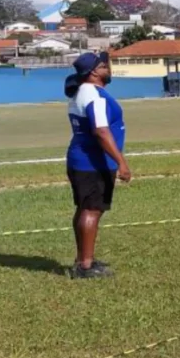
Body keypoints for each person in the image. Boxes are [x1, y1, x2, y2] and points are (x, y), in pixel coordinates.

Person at [65, 51, 131, 279]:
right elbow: (101, 131)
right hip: (93, 163)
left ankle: (84, 258)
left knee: (85, 209)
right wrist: (121, 162)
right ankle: (85, 266)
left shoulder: (81, 91)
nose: (108, 69)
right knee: (92, 210)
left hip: (81, 160)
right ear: (94, 72)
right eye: (104, 66)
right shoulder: (94, 96)